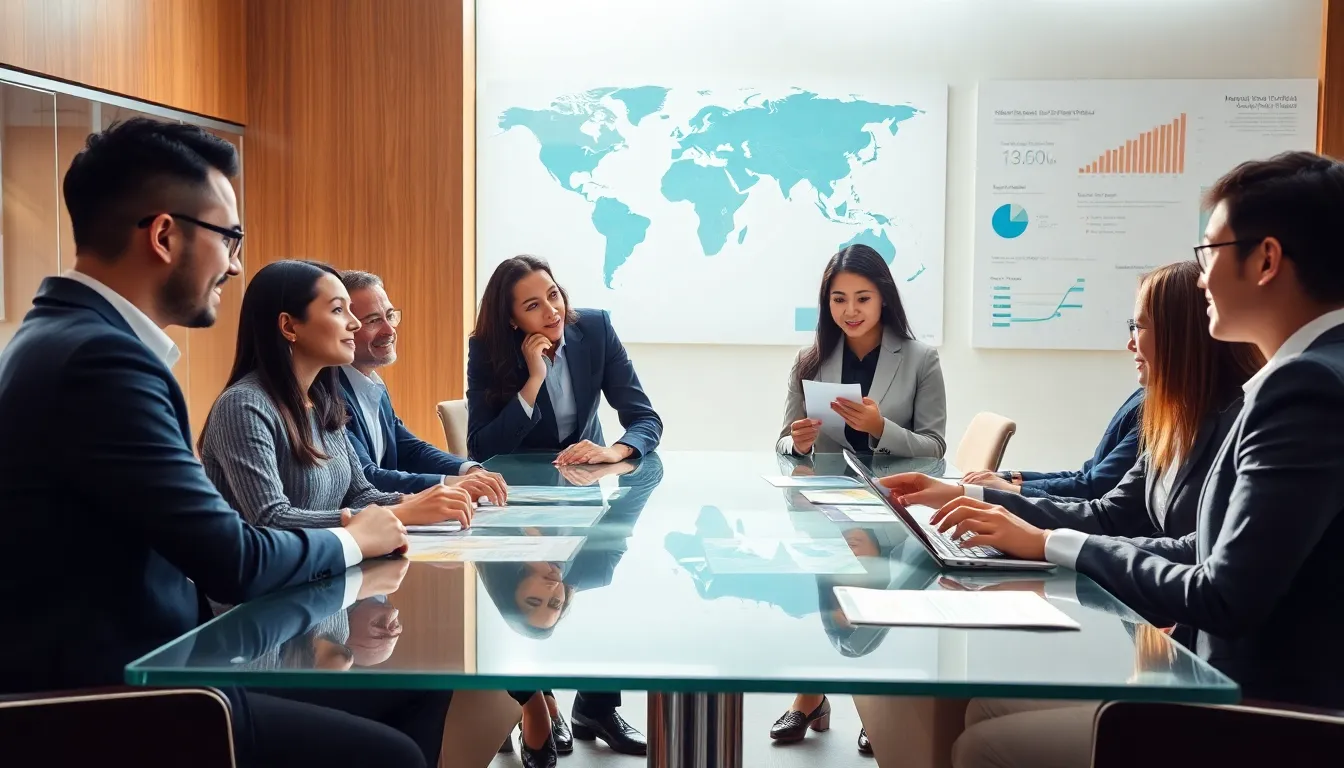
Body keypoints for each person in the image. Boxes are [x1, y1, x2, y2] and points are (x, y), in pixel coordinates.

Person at [0, 118, 435, 768]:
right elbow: (233, 555)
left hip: (158, 668)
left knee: (423, 691)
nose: (235, 264)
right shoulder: (102, 363)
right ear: (165, 234)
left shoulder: (62, 338)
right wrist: (356, 536)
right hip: (121, 702)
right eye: (229, 238)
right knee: (391, 752)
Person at [886, 151, 1344, 766]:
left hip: (1262, 716)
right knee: (987, 709)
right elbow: (1204, 550)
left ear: (1265, 259)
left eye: (1208, 251)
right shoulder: (1305, 377)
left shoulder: (1304, 389)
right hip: (1225, 677)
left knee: (983, 747)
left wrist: (1050, 543)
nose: (1201, 276)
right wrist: (1036, 534)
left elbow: (1225, 593)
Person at [199, 259, 476, 534]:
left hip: (322, 569)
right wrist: (402, 511)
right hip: (259, 578)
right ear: (290, 327)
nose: (354, 323)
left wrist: (422, 500)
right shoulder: (243, 406)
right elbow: (271, 519)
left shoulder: (321, 401)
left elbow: (361, 494)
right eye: (338, 310)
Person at [478, 454, 665, 765]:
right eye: (555, 602)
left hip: (523, 453)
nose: (552, 590)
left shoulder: (494, 552)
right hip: (572, 466)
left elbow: (489, 465)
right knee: (611, 601)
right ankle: (549, 697)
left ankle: (576, 704)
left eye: (534, 600)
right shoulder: (591, 568)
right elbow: (648, 474)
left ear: (514, 590)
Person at [467, 255, 662, 465]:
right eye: (533, 306)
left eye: (553, 295)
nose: (552, 311)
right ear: (511, 319)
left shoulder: (597, 330)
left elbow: (645, 418)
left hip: (585, 481)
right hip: (520, 484)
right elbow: (480, 449)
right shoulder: (488, 350)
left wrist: (617, 451)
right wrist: (534, 380)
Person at [338, 270, 508, 502]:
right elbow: (365, 476)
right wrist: (449, 484)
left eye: (390, 316)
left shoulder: (371, 382)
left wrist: (468, 470)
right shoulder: (328, 392)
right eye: (373, 321)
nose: (390, 330)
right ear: (343, 327)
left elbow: (408, 447)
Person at [777, 243, 946, 458]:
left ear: (883, 298)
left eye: (863, 299)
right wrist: (798, 444)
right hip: (826, 489)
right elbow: (783, 441)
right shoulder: (807, 360)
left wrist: (880, 428)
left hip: (892, 488)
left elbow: (935, 448)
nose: (850, 311)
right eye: (839, 299)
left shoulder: (922, 360)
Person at [960, 388, 1142, 501]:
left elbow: (1094, 488)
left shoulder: (1149, 412)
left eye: (1139, 327)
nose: (1130, 344)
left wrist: (1009, 489)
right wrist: (1008, 477)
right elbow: (1085, 474)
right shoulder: (1141, 395)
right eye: (1131, 326)